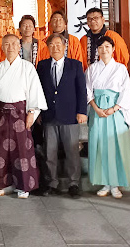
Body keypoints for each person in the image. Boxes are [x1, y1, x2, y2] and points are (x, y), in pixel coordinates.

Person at [0, 34, 47, 198]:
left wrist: (32, 112)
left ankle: (24, 186)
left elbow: (34, 91)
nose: (10, 47)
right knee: (2, 150)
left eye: (13, 44)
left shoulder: (27, 67)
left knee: (22, 150)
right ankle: (4, 183)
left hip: (21, 113)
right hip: (2, 113)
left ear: (19, 46)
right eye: (6, 44)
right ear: (2, 47)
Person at [36, 33, 87, 197]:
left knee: (72, 151)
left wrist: (81, 112)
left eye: (59, 44)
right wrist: (37, 111)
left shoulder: (75, 65)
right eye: (52, 45)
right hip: (49, 115)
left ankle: (74, 183)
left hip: (70, 115)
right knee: (49, 152)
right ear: (48, 47)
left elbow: (81, 91)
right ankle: (52, 182)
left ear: (65, 47)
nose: (55, 47)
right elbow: (38, 91)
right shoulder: (42, 66)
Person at [86, 36, 130, 199]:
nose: (104, 49)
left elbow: (126, 92)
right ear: (97, 50)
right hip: (98, 110)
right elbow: (87, 91)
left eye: (107, 46)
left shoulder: (121, 69)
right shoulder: (92, 69)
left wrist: (114, 108)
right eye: (101, 47)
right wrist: (96, 108)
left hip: (115, 111)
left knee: (116, 146)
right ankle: (104, 183)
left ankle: (115, 184)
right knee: (100, 146)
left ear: (113, 49)